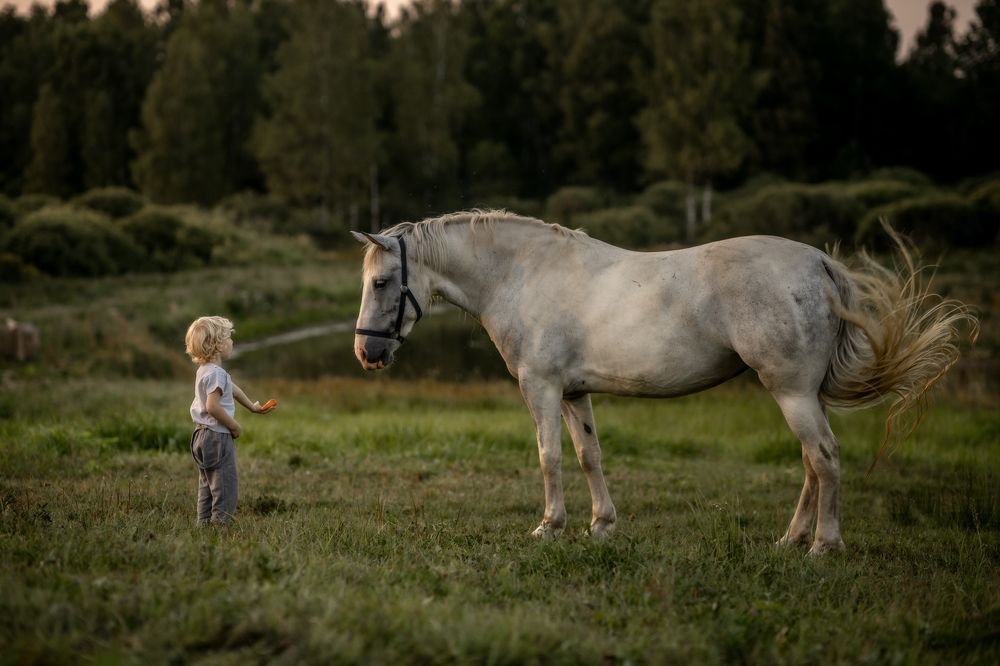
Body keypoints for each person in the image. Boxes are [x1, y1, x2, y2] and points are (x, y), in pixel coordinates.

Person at [184, 316, 272, 525]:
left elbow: (230, 388)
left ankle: (203, 525)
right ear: (218, 345)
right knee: (225, 487)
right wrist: (234, 426)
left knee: (207, 484)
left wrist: (252, 406)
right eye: (229, 338)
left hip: (200, 435)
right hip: (217, 436)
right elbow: (212, 407)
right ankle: (220, 529)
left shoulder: (206, 371)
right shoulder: (217, 374)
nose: (232, 342)